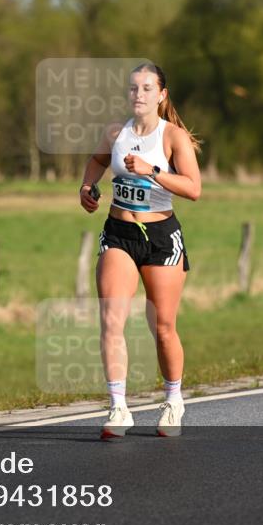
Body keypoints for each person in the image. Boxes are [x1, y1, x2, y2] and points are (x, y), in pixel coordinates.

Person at [78, 63, 203, 439]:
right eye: (133, 88)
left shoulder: (173, 137)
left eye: (147, 89)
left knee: (162, 327)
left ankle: (173, 400)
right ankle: (118, 408)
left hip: (161, 237)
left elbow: (194, 188)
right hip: (119, 232)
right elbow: (98, 160)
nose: (139, 95)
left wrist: (152, 171)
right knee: (112, 320)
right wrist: (87, 187)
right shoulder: (116, 132)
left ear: (161, 95)